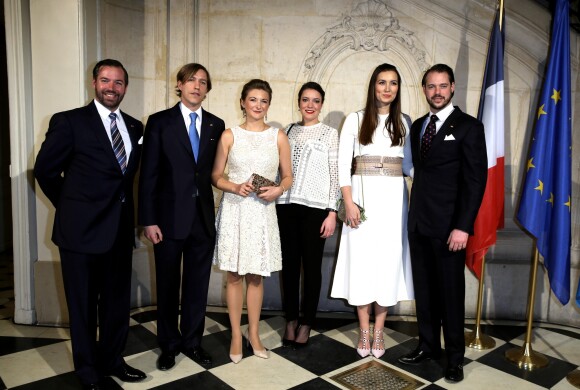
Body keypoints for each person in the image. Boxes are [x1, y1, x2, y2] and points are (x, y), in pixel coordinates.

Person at [34, 59, 146, 389]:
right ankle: (87, 371)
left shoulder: (134, 127)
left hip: (119, 232)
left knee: (115, 305)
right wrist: (71, 208)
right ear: (94, 83)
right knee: (82, 307)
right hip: (79, 233)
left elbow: (126, 180)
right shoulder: (69, 122)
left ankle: (112, 359)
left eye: (119, 82)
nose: (112, 87)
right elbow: (45, 171)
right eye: (105, 80)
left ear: (126, 87)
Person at [397, 64, 487, 383]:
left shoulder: (469, 127)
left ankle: (454, 358)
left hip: (451, 229)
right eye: (431, 86)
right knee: (425, 291)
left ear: (452, 88)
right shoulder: (420, 125)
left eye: (442, 86)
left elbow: (476, 181)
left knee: (450, 294)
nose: (437, 92)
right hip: (420, 225)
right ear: (425, 90)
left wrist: (463, 226)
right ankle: (428, 345)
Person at [138, 63, 225, 370]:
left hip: (202, 221)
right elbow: (148, 174)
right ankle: (168, 345)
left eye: (203, 82)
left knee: (197, 287)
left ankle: (192, 342)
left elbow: (214, 173)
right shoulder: (160, 122)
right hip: (167, 221)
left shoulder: (216, 124)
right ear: (179, 85)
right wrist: (148, 220)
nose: (197, 86)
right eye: (191, 80)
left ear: (207, 89)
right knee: (167, 285)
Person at [331, 63, 414, 359]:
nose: (387, 88)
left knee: (387, 265)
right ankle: (363, 330)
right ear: (373, 86)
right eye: (382, 82)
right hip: (361, 201)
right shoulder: (355, 120)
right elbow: (342, 165)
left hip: (394, 204)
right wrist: (349, 203)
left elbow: (412, 167)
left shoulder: (404, 121)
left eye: (393, 83)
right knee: (363, 265)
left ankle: (380, 331)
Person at [212, 79, 292, 364]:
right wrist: (234, 187)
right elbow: (216, 176)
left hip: (262, 212)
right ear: (243, 102)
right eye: (253, 99)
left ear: (268, 105)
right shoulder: (229, 135)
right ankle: (236, 334)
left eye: (264, 101)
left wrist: (279, 189)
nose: (258, 105)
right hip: (235, 210)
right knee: (234, 275)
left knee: (257, 275)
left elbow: (288, 176)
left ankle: (254, 333)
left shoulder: (278, 136)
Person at [276, 82, 340, 348]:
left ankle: (307, 323)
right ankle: (291, 319)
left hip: (316, 211)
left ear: (321, 104)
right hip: (286, 207)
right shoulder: (287, 131)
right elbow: (279, 169)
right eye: (305, 100)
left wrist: (332, 211)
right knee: (289, 268)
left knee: (312, 269)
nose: (310, 105)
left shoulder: (329, 134)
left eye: (315, 100)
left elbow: (335, 175)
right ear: (299, 102)